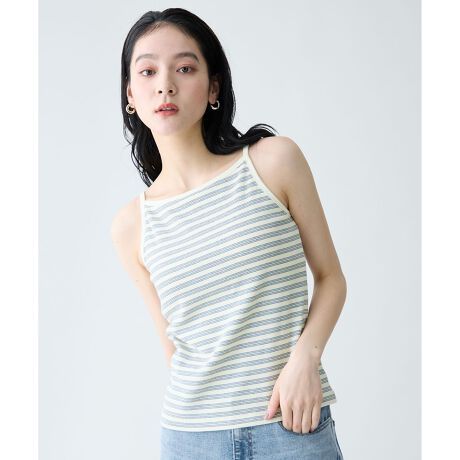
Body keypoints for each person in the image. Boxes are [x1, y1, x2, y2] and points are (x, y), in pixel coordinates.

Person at [110, 7, 346, 460]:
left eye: (184, 68)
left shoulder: (273, 162)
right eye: (148, 71)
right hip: (191, 438)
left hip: (291, 425)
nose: (165, 85)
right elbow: (174, 348)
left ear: (214, 86)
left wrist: (305, 358)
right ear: (131, 95)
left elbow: (331, 278)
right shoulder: (131, 224)